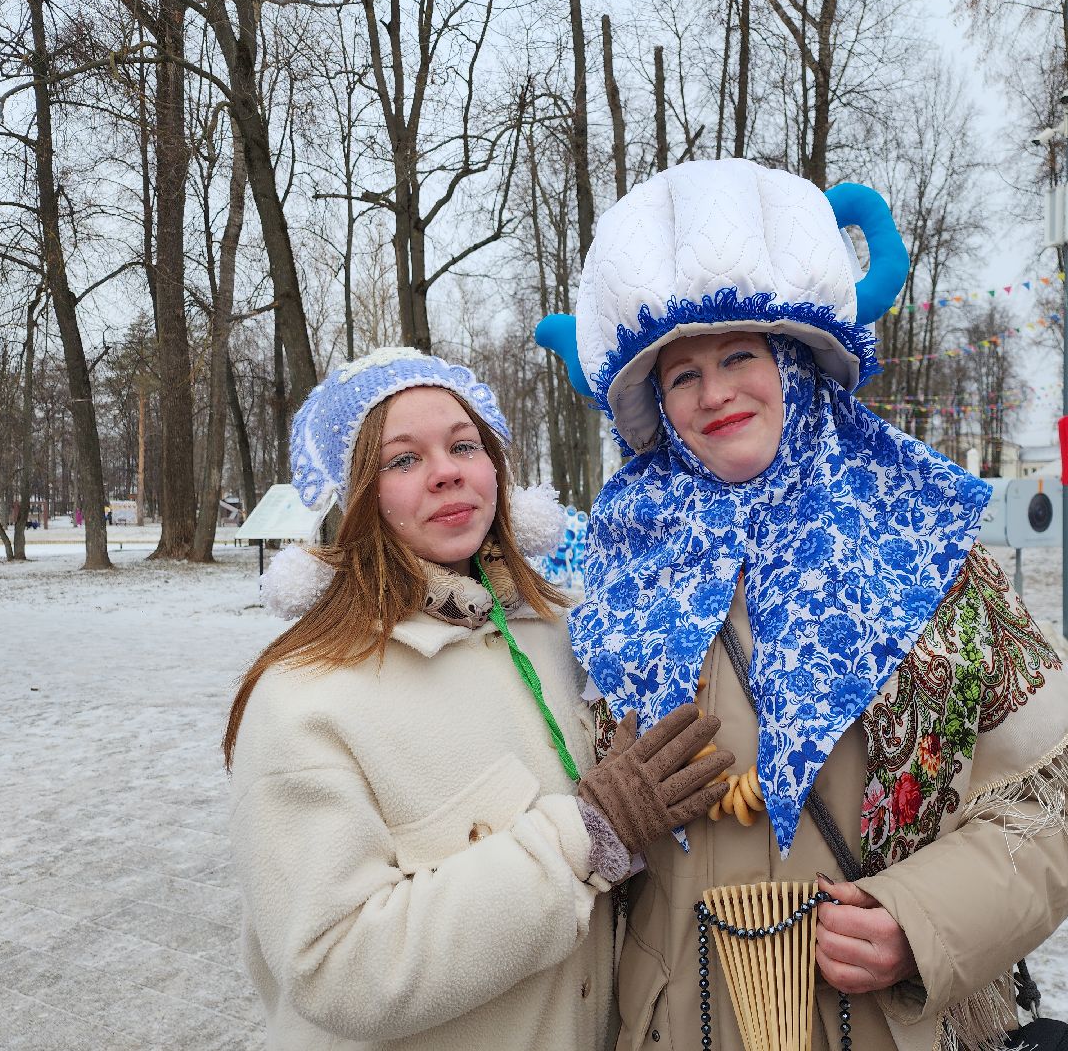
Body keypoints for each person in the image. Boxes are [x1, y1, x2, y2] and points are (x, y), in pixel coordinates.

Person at [540, 159, 1068, 1051]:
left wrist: (923, 921)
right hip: (672, 1026)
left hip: (876, 1028)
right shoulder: (619, 578)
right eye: (682, 375)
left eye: (739, 355)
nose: (714, 394)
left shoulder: (923, 553)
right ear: (658, 406)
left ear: (793, 364)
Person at [222, 346, 733, 1051]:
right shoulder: (307, 697)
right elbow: (334, 968)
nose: (446, 471)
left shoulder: (562, 637)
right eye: (403, 460)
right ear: (360, 493)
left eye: (465, 445)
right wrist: (584, 835)